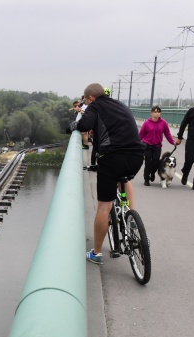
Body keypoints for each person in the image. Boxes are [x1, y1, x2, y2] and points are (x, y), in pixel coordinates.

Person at [69, 83, 145, 265]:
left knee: (104, 206)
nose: (86, 105)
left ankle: (96, 253)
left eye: (86, 101)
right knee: (125, 179)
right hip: (136, 156)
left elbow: (85, 124)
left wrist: (72, 126)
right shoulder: (120, 105)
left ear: (91, 98)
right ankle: (131, 215)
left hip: (112, 158)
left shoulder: (95, 106)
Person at [139, 106, 176, 186]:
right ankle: (146, 179)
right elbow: (141, 135)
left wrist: (173, 142)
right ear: (151, 113)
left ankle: (152, 173)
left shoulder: (163, 123)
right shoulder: (146, 123)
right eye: (155, 112)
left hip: (157, 146)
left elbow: (167, 134)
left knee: (156, 163)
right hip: (147, 146)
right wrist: (137, 143)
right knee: (148, 163)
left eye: (158, 112)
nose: (157, 113)